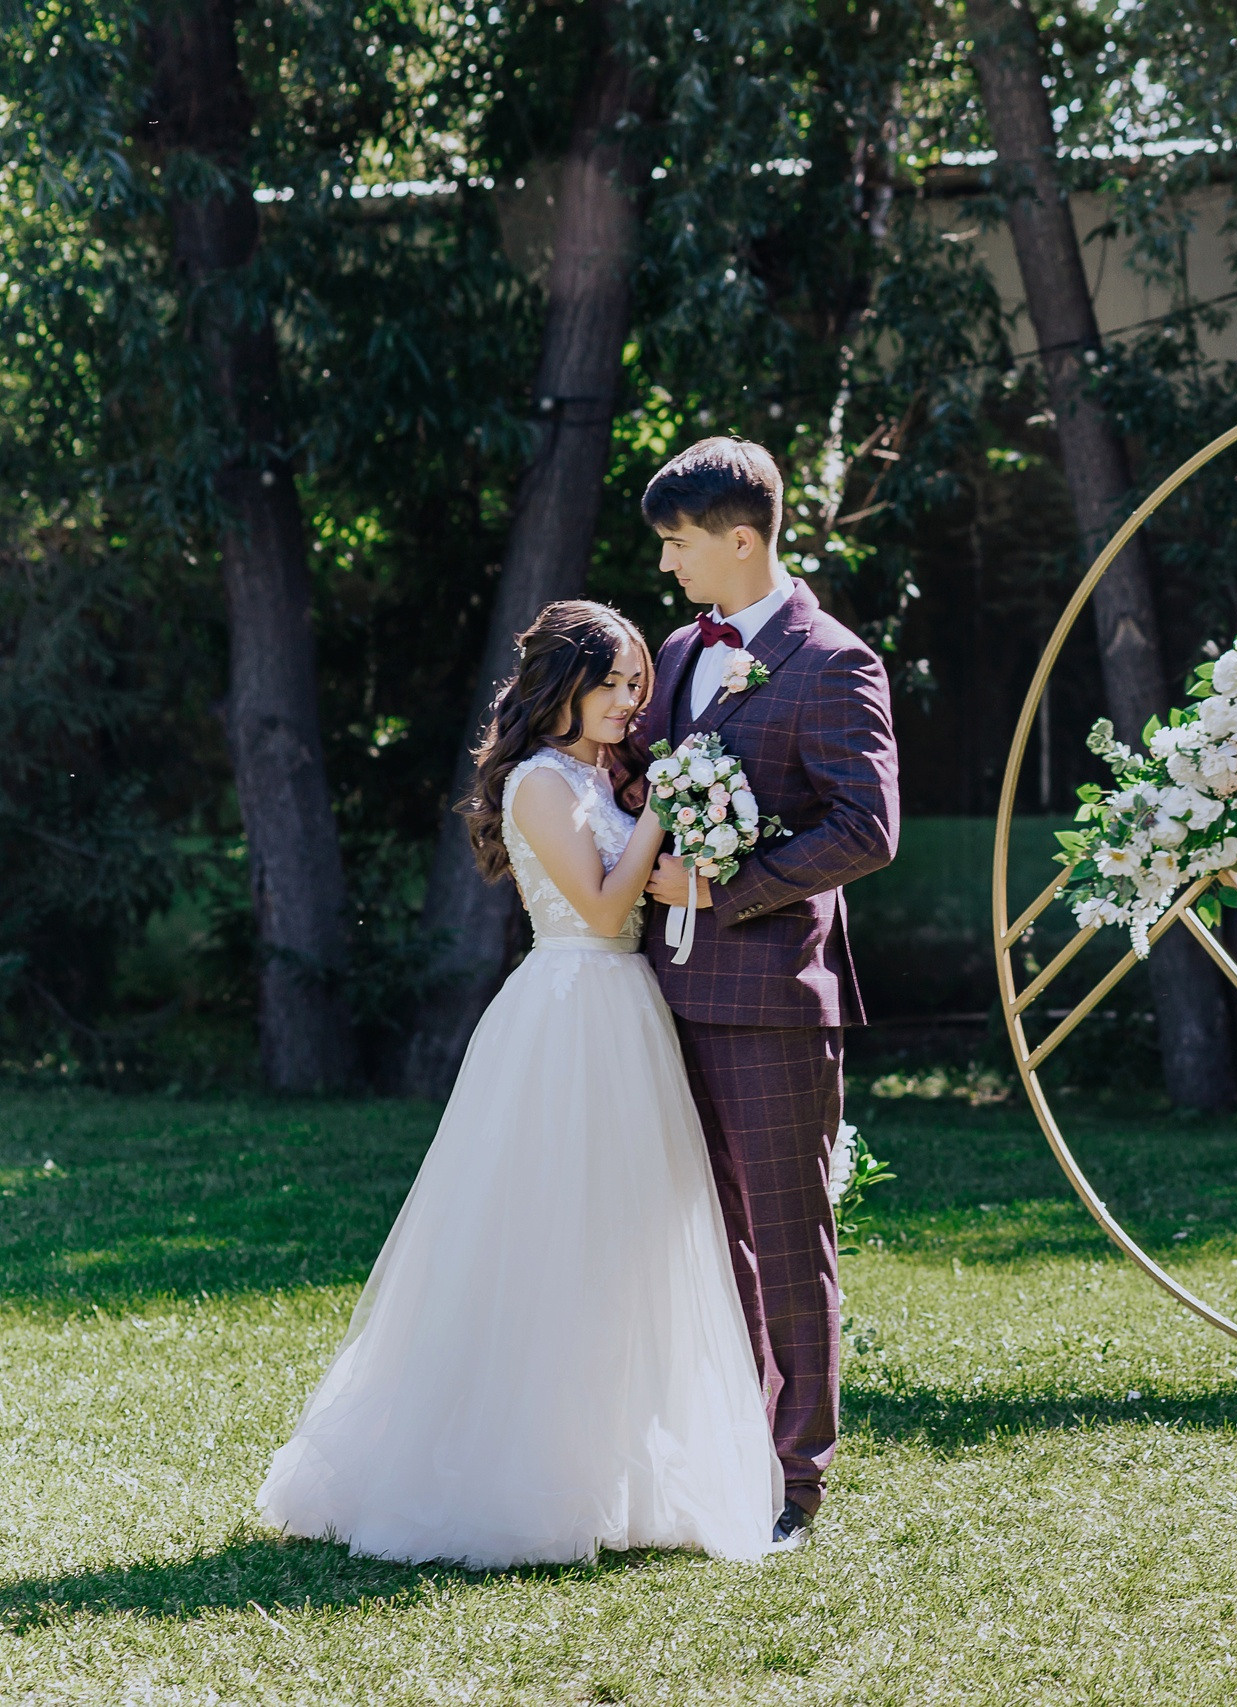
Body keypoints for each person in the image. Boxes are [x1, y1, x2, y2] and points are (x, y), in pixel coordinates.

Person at [258, 600, 783, 1568]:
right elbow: (599, 899)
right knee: (549, 1234)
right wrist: (668, 806)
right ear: (562, 686)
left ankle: (619, 1469)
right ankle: (511, 1473)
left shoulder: (599, 773)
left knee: (630, 1240)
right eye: (614, 683)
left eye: (638, 683)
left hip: (628, 1011)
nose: (632, 701)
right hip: (569, 1009)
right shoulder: (542, 784)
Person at [636, 438, 900, 1547]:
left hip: (774, 1001)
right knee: (703, 1245)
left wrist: (730, 887)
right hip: (659, 997)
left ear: (741, 540)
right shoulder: (676, 650)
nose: (669, 567)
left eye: (680, 544)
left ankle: (795, 1485)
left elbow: (867, 831)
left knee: (789, 1244)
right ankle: (725, 1452)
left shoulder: (834, 662)